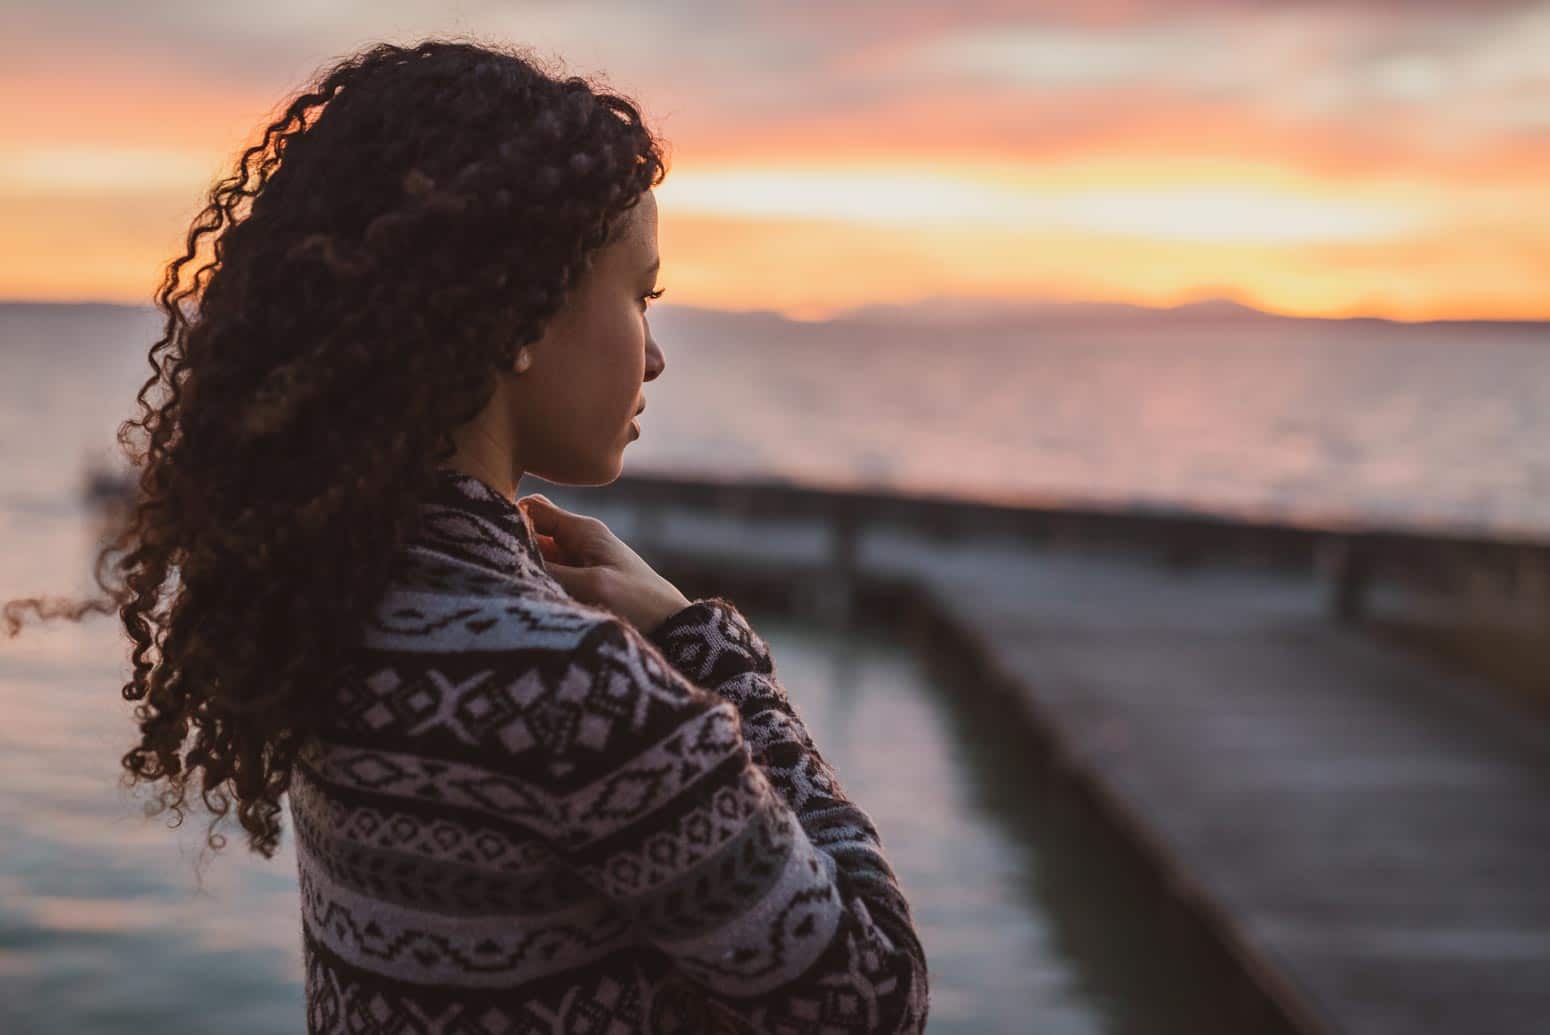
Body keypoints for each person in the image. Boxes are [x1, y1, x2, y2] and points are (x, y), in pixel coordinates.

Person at [2, 38, 928, 1033]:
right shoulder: (577, 688)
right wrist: (707, 647)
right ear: (519, 315)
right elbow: (873, 1000)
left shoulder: (331, 601)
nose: (654, 357)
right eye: (639, 295)